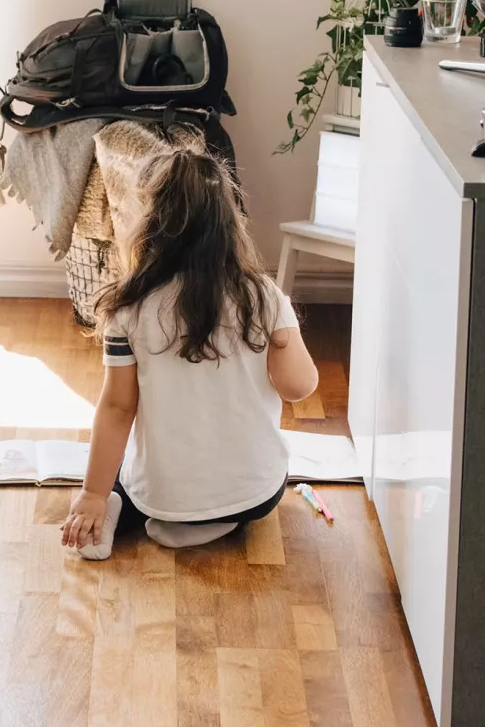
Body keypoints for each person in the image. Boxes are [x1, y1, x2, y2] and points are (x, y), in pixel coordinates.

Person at [60, 149, 320, 558]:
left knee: (122, 472)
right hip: (255, 493)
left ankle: (118, 511)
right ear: (229, 221)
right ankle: (211, 520)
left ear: (149, 224)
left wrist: (93, 492)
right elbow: (299, 387)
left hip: (163, 492)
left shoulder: (129, 308)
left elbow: (117, 408)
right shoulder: (262, 296)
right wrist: (283, 324)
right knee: (252, 483)